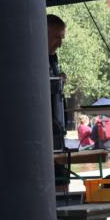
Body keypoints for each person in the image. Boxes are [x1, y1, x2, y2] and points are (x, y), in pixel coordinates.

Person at [47, 14, 68, 150]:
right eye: (56, 37)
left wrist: (60, 79)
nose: (60, 44)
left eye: (62, 38)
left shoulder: (53, 57)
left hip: (56, 123)